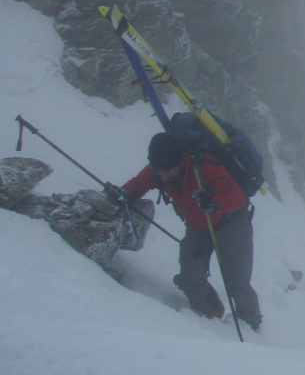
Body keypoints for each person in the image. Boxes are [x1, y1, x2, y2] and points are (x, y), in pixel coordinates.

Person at [109, 131, 262, 331]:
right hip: (198, 227)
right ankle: (211, 315)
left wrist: (215, 204)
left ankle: (251, 326)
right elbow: (139, 184)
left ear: (179, 161)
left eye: (166, 171)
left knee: (237, 284)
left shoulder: (204, 165)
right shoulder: (159, 168)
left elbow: (238, 197)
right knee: (190, 277)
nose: (162, 176)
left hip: (231, 225)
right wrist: (123, 194)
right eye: (159, 171)